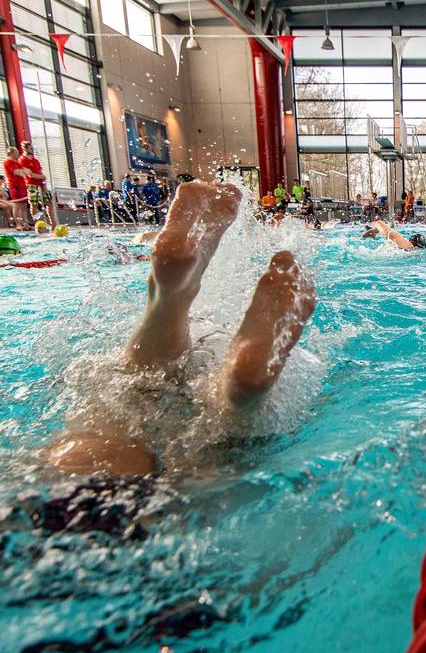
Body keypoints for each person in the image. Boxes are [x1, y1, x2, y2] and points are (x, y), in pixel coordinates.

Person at [44, 181, 316, 477]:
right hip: (95, 489)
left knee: (123, 416)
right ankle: (233, 397)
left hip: (74, 500)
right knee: (151, 387)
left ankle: (171, 309)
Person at [19, 141, 57, 227]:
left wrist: (44, 183)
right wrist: (42, 177)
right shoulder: (22, 160)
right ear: (24, 148)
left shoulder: (35, 160)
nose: (31, 149)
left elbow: (40, 173)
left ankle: (53, 223)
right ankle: (39, 224)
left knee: (49, 203)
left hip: (40, 184)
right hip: (31, 184)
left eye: (31, 148)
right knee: (34, 204)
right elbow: (30, 174)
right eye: (29, 148)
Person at [2, 147, 30, 229]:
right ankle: (18, 224)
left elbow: (28, 171)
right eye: (16, 152)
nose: (18, 153)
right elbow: (18, 173)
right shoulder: (8, 162)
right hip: (15, 186)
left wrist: (23, 171)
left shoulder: (18, 163)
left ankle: (25, 223)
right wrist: (23, 172)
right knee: (17, 205)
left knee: (24, 206)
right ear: (11, 153)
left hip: (22, 185)